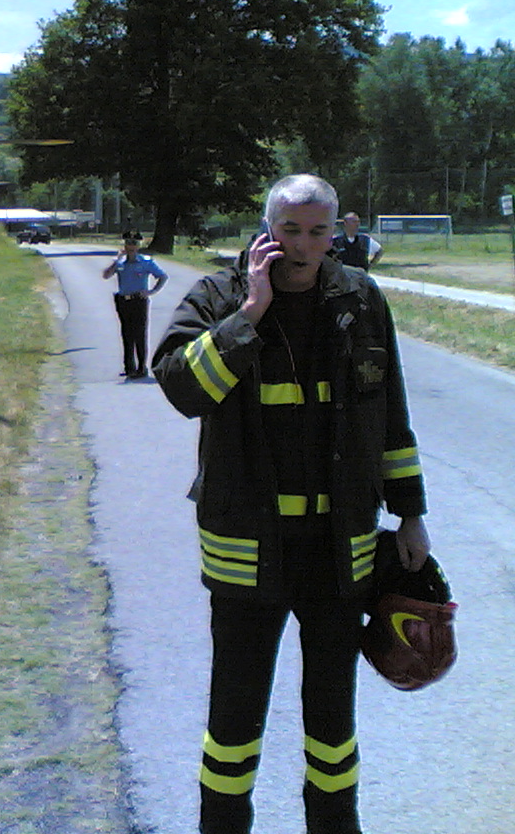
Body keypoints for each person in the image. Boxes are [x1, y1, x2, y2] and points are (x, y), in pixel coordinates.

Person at [151, 175, 430, 834]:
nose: (304, 246)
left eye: (318, 231)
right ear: (266, 230)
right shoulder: (219, 295)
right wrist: (250, 313)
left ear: (336, 232)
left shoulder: (361, 301)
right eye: (291, 231)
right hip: (248, 555)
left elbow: (391, 416)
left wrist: (411, 511)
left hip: (341, 551)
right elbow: (182, 388)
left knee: (333, 722)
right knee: (233, 722)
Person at [102, 230, 167, 378]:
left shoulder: (146, 261)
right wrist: (116, 259)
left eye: (134, 244)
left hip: (139, 300)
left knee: (139, 334)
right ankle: (129, 367)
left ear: (138, 246)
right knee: (126, 334)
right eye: (128, 243)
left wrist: (151, 291)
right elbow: (106, 275)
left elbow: (162, 276)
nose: (131, 246)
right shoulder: (120, 263)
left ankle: (141, 367)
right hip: (123, 301)